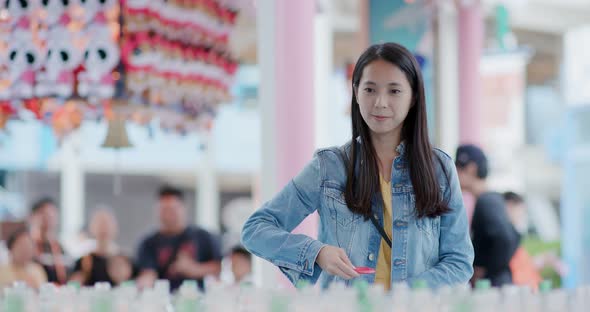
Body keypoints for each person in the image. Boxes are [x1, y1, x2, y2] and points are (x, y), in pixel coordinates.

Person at [241, 43, 474, 290]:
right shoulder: (329, 167)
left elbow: (459, 262)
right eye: (370, 89)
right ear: (356, 92)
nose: (380, 103)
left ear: (414, 96)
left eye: (394, 91)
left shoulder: (439, 168)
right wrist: (316, 252)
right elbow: (255, 229)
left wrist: (404, 296)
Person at [455, 145, 521, 287]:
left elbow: (506, 238)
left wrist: (486, 270)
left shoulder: (487, 201)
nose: (453, 174)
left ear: (471, 169)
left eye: (457, 168)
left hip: (493, 286)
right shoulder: (492, 199)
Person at [136, 186, 222, 291]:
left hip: (196, 298)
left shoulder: (203, 236)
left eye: (172, 209)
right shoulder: (148, 242)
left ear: (183, 208)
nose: (168, 215)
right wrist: (143, 284)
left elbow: (218, 267)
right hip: (163, 299)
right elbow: (148, 272)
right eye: (164, 210)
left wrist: (194, 269)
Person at [69, 209, 123, 286]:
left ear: (115, 227)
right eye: (100, 224)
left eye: (107, 224)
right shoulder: (84, 263)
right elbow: (72, 287)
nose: (104, 228)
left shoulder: (125, 262)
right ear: (92, 227)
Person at [29, 197, 69, 285]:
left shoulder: (59, 248)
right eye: (44, 213)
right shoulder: (27, 245)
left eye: (52, 214)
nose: (48, 218)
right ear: (32, 217)